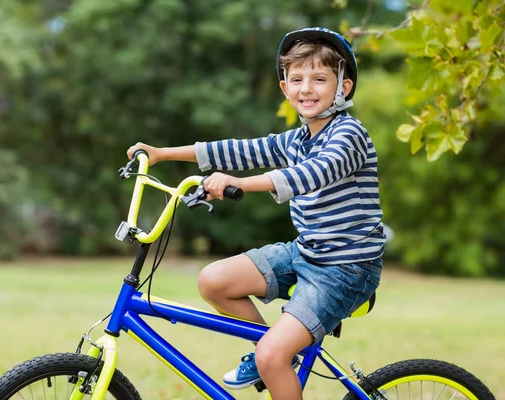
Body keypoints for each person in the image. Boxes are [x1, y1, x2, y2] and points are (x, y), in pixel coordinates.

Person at [127, 27, 386, 400]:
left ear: (342, 87)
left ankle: (274, 355)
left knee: (271, 356)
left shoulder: (349, 134)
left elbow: (312, 174)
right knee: (214, 281)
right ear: (285, 89)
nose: (306, 88)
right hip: (308, 252)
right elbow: (239, 150)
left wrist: (243, 184)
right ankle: (276, 352)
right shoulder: (297, 139)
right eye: (296, 79)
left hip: (346, 268)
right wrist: (163, 154)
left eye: (319, 79)